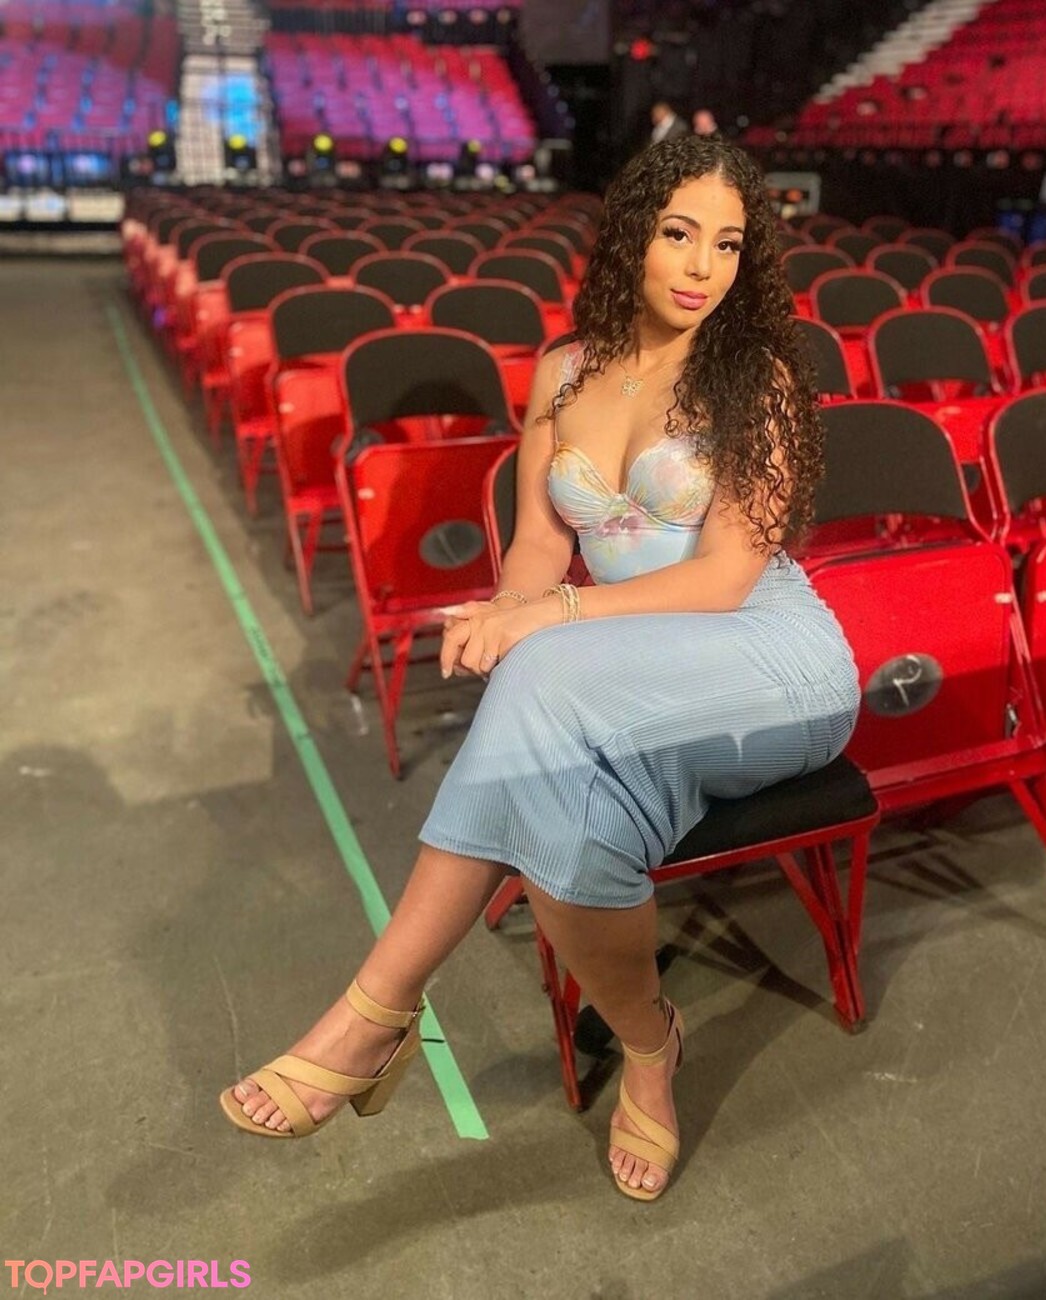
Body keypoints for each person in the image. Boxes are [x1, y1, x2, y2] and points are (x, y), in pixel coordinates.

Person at [220, 135, 861, 1203]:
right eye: (679, 233)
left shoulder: (759, 380)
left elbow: (723, 580)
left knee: (541, 679)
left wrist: (551, 619)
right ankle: (652, 1049)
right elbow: (536, 544)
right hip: (625, 673)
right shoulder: (562, 373)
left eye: (728, 244)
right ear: (633, 235)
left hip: (772, 660)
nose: (702, 266)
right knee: (567, 839)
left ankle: (375, 1011)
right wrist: (508, 607)